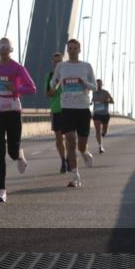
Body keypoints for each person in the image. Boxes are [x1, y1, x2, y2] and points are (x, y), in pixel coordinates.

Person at [0, 38, 36, 203]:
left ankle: (19, 156)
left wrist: (16, 88)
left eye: (6, 47)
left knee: (12, 151)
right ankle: (1, 190)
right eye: (1, 47)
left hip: (13, 109)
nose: (4, 50)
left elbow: (32, 88)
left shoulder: (18, 68)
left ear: (10, 50)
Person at [51, 38, 96, 188]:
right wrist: (54, 84)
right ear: (67, 50)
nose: (72, 51)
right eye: (70, 48)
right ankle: (75, 174)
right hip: (67, 108)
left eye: (75, 48)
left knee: (81, 145)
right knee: (70, 140)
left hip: (83, 109)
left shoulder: (86, 66)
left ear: (79, 50)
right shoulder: (61, 66)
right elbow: (53, 81)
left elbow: (94, 86)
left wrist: (85, 84)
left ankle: (84, 152)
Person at [45, 52, 68, 173]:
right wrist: (52, 91)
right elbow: (47, 94)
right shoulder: (49, 76)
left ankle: (70, 158)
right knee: (59, 139)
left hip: (69, 109)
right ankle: (63, 161)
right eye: (55, 62)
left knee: (70, 137)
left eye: (59, 61)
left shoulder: (68, 75)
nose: (57, 63)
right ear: (52, 63)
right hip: (56, 111)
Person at [92, 79, 114, 153]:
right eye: (96, 84)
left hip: (104, 114)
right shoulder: (93, 92)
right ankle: (100, 146)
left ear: (102, 85)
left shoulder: (105, 92)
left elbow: (112, 101)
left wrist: (105, 101)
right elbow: (93, 100)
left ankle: (103, 133)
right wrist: (90, 103)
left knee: (104, 131)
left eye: (99, 84)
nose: (98, 85)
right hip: (96, 114)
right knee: (97, 131)